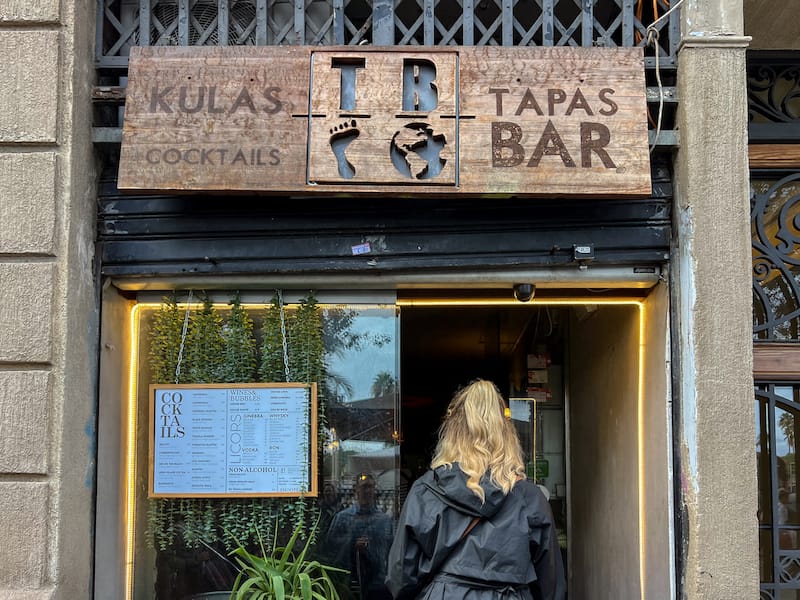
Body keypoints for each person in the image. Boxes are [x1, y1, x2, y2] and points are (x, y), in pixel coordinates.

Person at [385, 379, 566, 600]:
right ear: (507, 434)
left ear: (452, 433)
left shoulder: (426, 492)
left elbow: (400, 576)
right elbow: (552, 585)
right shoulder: (529, 498)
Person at [326, 472, 394, 599]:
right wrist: (352, 545)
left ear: (375, 490)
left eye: (370, 487)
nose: (367, 491)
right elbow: (330, 550)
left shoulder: (384, 521)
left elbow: (392, 552)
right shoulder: (342, 518)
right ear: (355, 490)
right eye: (363, 487)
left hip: (378, 586)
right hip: (349, 585)